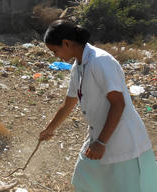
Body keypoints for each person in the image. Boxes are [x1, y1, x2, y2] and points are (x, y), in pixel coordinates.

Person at [39, 19, 157, 191]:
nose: (55, 56)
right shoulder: (78, 66)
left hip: (121, 139)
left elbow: (118, 104)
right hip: (98, 134)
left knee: (127, 186)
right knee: (84, 180)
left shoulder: (100, 61)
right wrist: (49, 129)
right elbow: (69, 103)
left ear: (66, 43)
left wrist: (101, 142)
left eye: (54, 51)